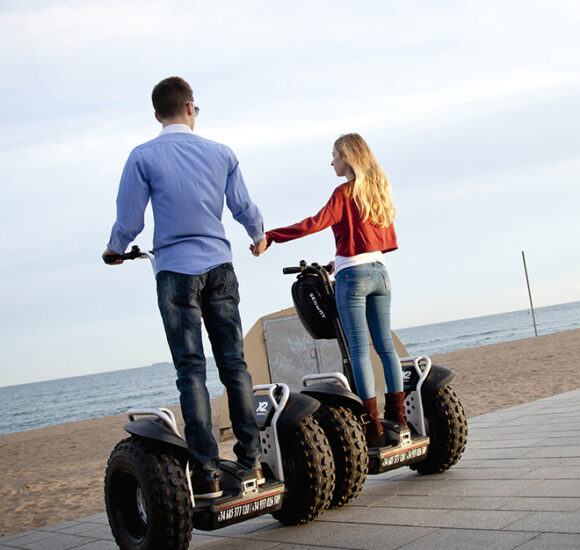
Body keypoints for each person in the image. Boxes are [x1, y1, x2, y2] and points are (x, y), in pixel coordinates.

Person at [102, 76, 268, 499]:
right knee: (235, 365)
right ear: (192, 108)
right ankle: (250, 461)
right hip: (220, 267)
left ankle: (208, 473)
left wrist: (115, 249)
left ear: (157, 115)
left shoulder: (143, 156)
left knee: (191, 371)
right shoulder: (221, 153)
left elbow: (130, 219)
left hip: (175, 272)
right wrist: (257, 234)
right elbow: (244, 207)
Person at [265, 133, 404, 447]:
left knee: (357, 351)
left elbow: (315, 223)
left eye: (335, 156)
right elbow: (372, 239)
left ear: (348, 157)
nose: (332, 162)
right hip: (380, 273)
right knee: (385, 347)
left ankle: (373, 429)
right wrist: (336, 260)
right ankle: (398, 417)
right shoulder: (378, 188)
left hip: (353, 277)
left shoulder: (344, 192)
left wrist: (272, 236)